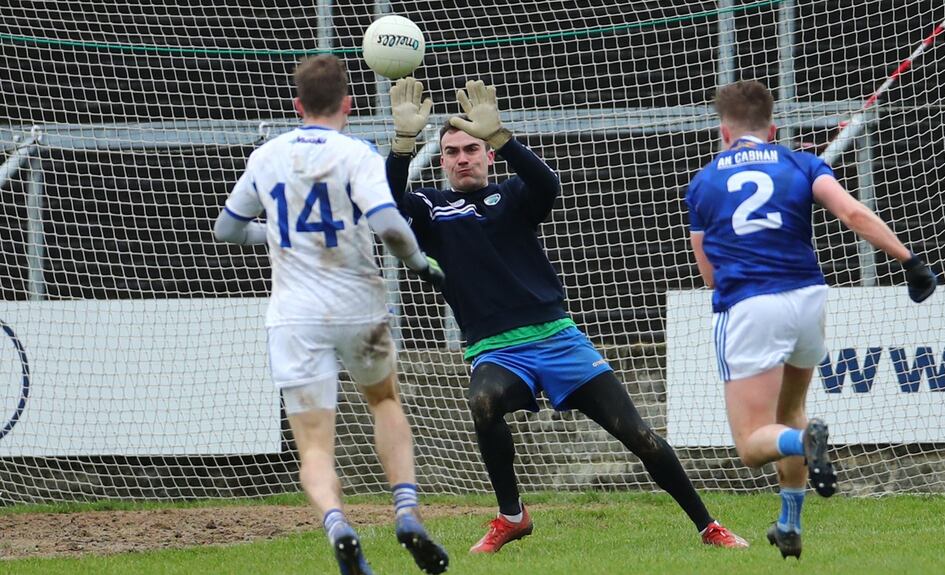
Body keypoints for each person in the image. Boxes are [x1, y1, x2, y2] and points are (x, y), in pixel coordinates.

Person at [385, 77, 748, 553]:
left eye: (472, 148)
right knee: (483, 402)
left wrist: (503, 137)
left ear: (486, 155)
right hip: (495, 350)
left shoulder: (512, 195)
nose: (462, 158)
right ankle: (511, 517)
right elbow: (387, 204)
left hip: (558, 340)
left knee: (638, 436)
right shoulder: (431, 207)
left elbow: (547, 184)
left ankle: (708, 526)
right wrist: (401, 145)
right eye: (451, 152)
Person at [213, 55, 449, 575]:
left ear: (297, 106)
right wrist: (418, 262)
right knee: (384, 400)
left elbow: (226, 230)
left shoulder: (267, 155)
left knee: (315, 444)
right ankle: (406, 511)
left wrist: (273, 235)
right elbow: (388, 223)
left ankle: (338, 525)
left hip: (294, 316)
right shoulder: (356, 153)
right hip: (357, 305)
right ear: (348, 104)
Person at [685, 80, 938, 559]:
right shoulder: (800, 162)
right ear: (773, 127)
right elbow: (853, 213)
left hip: (751, 305)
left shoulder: (703, 184)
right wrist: (910, 262)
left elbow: (711, 275)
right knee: (791, 408)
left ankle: (803, 442)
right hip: (808, 298)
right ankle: (789, 524)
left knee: (753, 442)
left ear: (723, 132)